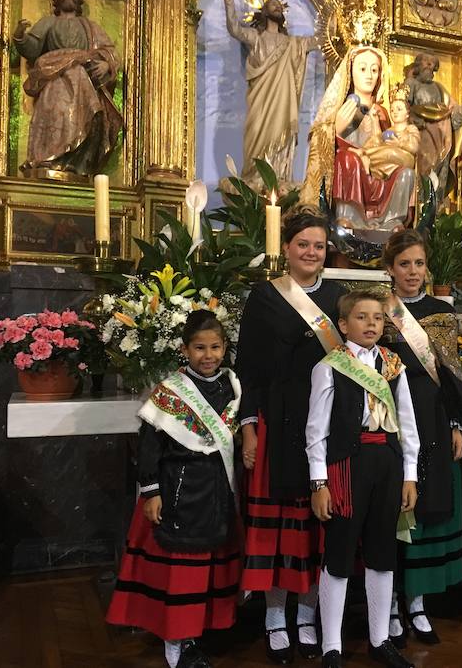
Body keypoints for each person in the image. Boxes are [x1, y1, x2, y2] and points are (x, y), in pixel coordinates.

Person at [236, 207, 345, 664]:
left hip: (326, 423)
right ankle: (274, 617)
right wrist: (248, 428)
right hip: (277, 423)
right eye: (303, 244)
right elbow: (247, 367)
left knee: (316, 529)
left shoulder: (339, 297)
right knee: (278, 531)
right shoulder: (264, 297)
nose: (311, 252)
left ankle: (308, 614)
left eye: (319, 246)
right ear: (286, 249)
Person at [106, 311, 242, 668]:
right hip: (179, 489)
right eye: (199, 348)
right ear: (184, 349)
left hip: (215, 490)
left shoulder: (232, 386)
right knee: (181, 572)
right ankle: (174, 643)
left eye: (215, 347)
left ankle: (195, 636)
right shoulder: (171, 391)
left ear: (225, 348)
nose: (208, 355)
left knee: (205, 572)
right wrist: (151, 491)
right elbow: (150, 445)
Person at [306, 288, 420, 668]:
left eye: (377, 318)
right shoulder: (329, 366)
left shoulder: (394, 365)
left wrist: (410, 475)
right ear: (343, 324)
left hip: (387, 464)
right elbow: (316, 431)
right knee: (339, 554)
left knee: (382, 554)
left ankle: (379, 639)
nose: (371, 324)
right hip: (345, 467)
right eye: (361, 317)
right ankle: (332, 647)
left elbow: (407, 424)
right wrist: (319, 483)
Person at [380, 230, 462, 646]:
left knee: (426, 505)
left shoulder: (441, 312)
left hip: (433, 421)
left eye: (418, 263)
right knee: (392, 507)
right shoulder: (378, 311)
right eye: (403, 264)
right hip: (390, 418)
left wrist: (456, 425)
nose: (412, 272)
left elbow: (452, 379)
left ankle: (416, 601)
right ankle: (391, 603)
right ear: (389, 269)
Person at [301, 46, 416, 233]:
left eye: (374, 69)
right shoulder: (341, 106)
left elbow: (393, 144)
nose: (369, 75)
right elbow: (321, 142)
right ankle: (350, 217)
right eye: (362, 69)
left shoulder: (383, 112)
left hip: (379, 171)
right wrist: (336, 129)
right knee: (348, 159)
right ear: (350, 72)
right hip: (352, 169)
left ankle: (391, 220)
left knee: (406, 174)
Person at [12, 0, 123, 178]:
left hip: (82, 82)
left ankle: (77, 163)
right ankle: (50, 158)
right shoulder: (49, 22)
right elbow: (32, 48)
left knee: (89, 117)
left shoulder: (89, 27)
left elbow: (109, 51)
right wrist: (20, 36)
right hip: (55, 81)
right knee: (57, 114)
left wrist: (106, 65)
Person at [223, 0, 319, 185]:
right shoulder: (256, 37)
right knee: (256, 135)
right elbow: (235, 29)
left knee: (281, 134)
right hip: (260, 100)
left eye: (279, 6)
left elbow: (316, 41)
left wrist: (333, 24)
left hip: (283, 103)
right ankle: (254, 175)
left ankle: (278, 178)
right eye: (272, 5)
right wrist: (229, 2)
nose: (277, 7)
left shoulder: (293, 43)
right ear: (264, 12)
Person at [403, 53, 462, 198]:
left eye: (432, 63)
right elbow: (403, 106)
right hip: (421, 137)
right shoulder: (411, 84)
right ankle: (420, 204)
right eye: (425, 61)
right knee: (422, 171)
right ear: (418, 65)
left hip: (441, 139)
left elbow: (452, 115)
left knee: (438, 173)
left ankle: (436, 207)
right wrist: (413, 118)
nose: (428, 65)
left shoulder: (440, 88)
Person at [356, 84, 420, 182]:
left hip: (404, 159)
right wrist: (375, 121)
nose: (395, 112)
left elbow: (414, 147)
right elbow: (377, 142)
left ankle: (365, 155)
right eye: (392, 110)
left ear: (407, 113)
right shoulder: (389, 130)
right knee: (385, 151)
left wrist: (399, 144)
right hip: (387, 162)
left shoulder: (411, 128)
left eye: (399, 109)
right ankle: (368, 160)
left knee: (392, 152)